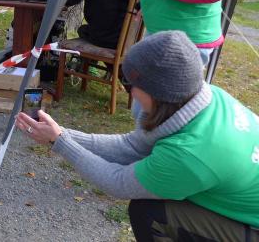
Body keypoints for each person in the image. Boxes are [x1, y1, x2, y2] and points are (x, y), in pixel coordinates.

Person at [16, 31, 259, 241]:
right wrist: (61, 133)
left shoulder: (189, 155)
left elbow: (119, 182)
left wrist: (59, 142)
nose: (128, 92)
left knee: (149, 213)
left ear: (158, 94)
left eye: (129, 84)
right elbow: (131, 146)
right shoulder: (204, 96)